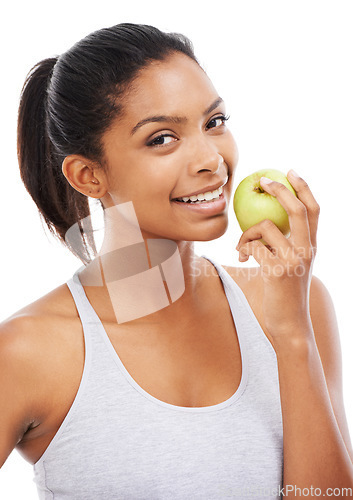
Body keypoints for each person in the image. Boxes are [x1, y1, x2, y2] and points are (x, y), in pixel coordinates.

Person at [1, 22, 352, 499]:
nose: (212, 159)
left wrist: (292, 333)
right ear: (87, 175)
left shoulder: (299, 302)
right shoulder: (29, 349)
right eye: (162, 138)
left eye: (215, 122)